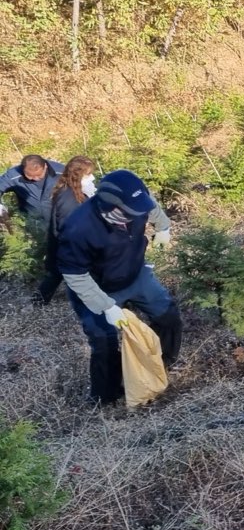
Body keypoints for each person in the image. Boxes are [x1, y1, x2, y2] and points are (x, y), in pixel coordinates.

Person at [56, 170, 180, 405]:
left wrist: (163, 227)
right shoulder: (78, 228)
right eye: (129, 213)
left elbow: (151, 207)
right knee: (104, 341)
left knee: (168, 316)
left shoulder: (137, 202)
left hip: (136, 275)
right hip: (98, 287)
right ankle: (106, 397)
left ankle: (160, 364)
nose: (137, 216)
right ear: (109, 207)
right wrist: (106, 306)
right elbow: (75, 275)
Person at [36, 156, 95, 306]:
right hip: (69, 246)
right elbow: (68, 227)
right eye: (88, 174)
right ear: (78, 175)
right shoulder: (69, 198)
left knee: (56, 273)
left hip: (68, 246)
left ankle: (38, 301)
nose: (92, 177)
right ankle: (38, 302)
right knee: (59, 273)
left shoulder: (74, 192)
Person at [0, 154, 65, 224]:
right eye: (30, 176)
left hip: (61, 218)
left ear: (45, 166)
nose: (35, 178)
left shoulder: (61, 172)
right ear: (23, 170)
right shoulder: (13, 176)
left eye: (39, 175)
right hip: (32, 222)